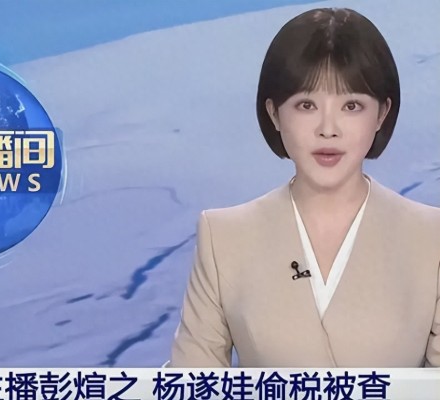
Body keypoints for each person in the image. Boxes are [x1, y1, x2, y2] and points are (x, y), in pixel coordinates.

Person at [167, 7, 440, 367]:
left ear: (382, 114)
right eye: (306, 105)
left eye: (352, 105)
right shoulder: (224, 238)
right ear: (274, 113)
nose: (328, 129)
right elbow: (192, 382)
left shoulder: (431, 238)